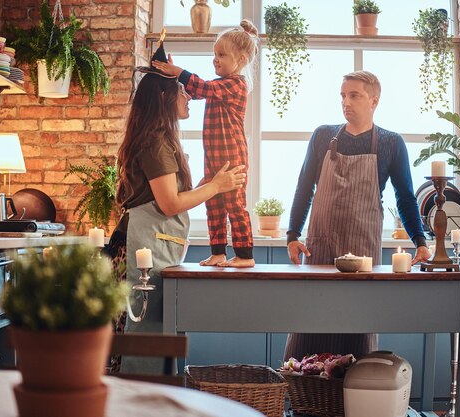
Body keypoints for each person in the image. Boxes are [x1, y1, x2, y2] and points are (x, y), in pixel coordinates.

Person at [108, 40, 246, 373]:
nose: (188, 97)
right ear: (164, 98)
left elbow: (171, 196)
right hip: (134, 254)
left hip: (148, 248)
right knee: (134, 349)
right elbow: (169, 204)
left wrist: (212, 185)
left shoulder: (163, 138)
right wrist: (215, 187)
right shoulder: (155, 141)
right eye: (181, 92)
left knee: (146, 346)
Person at [284, 70, 431, 361]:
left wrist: (420, 242)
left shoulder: (391, 143)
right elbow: (304, 187)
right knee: (313, 323)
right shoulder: (323, 136)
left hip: (363, 252)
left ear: (374, 100)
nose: (346, 102)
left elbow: (405, 198)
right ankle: (306, 400)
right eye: (342, 95)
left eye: (354, 95)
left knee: (357, 327)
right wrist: (292, 235)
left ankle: (353, 401)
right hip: (321, 249)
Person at [152, 19, 260, 268]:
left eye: (222, 54)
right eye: (214, 54)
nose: (215, 59)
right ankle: (218, 252)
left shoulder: (236, 84)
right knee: (214, 206)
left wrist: (180, 72)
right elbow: (197, 90)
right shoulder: (219, 85)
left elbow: (203, 87)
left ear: (241, 59)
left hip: (232, 157)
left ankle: (245, 255)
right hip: (214, 157)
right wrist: (173, 75)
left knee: (235, 205)